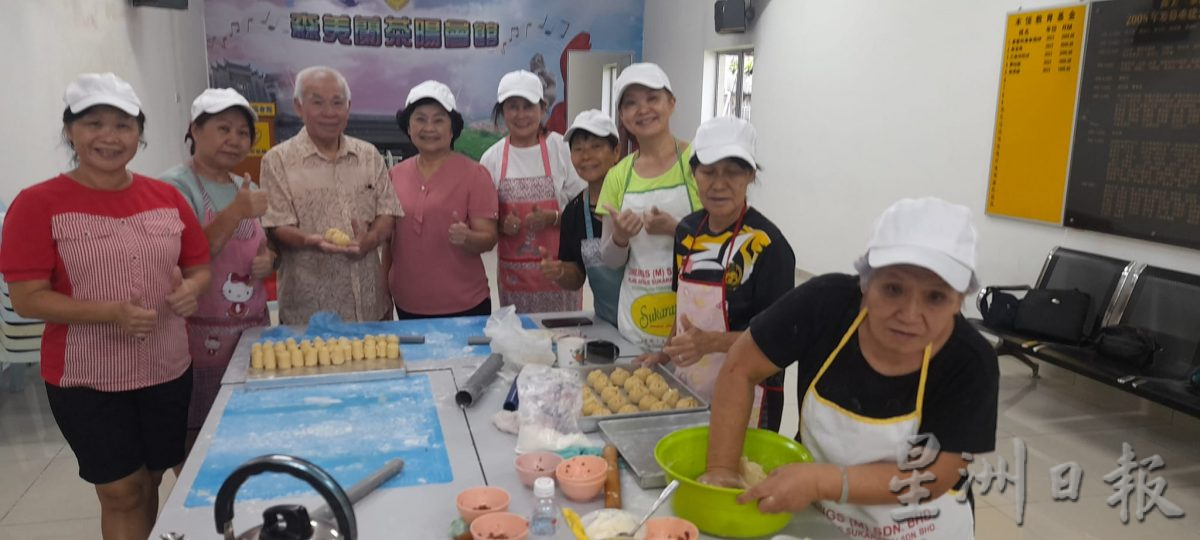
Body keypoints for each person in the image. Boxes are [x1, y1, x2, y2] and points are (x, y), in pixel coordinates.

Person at [701, 197, 1000, 539]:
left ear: (959, 300)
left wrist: (823, 481)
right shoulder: (824, 304)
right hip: (826, 517)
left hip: (921, 526)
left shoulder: (970, 361)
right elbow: (741, 366)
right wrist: (722, 469)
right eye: (893, 289)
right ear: (865, 281)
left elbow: (937, 472)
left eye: (935, 297)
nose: (910, 314)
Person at [0, 73, 211, 540]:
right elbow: (27, 298)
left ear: (139, 134)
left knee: (152, 477)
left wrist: (192, 288)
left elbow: (198, 265)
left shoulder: (166, 197)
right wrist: (110, 313)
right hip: (87, 376)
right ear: (70, 131)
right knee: (119, 490)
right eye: (94, 123)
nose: (109, 137)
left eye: (123, 125)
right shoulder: (38, 204)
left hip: (167, 367)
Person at [637, 116, 793, 430]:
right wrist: (666, 355)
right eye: (708, 171)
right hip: (689, 385)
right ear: (694, 173)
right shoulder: (687, 231)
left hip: (750, 394)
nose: (719, 184)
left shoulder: (769, 245)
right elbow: (683, 308)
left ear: (750, 175)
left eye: (733, 171)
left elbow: (781, 342)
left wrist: (711, 342)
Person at [158, 88, 271, 446]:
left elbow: (262, 248)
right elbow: (183, 257)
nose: (234, 140)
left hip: (251, 332)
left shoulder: (243, 186)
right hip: (200, 341)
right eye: (223, 129)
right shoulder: (176, 186)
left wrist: (270, 261)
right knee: (201, 440)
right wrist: (236, 211)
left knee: (249, 433)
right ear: (195, 129)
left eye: (242, 132)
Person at [260, 66, 402, 325]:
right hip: (308, 311)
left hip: (371, 307)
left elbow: (387, 212)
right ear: (299, 106)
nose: (329, 112)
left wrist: (370, 240)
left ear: (348, 108)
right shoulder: (277, 161)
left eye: (337, 103)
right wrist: (311, 241)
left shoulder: (368, 155)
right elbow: (278, 226)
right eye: (317, 102)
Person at [595, 63, 701, 349]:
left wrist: (677, 229)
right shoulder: (618, 175)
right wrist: (620, 238)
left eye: (652, 98)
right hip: (637, 318)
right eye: (631, 103)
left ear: (672, 103)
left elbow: (726, 245)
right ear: (621, 116)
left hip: (696, 320)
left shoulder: (699, 163)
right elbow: (609, 260)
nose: (643, 110)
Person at [387, 81, 499, 319]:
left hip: (465, 304)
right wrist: (382, 291)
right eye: (420, 119)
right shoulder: (394, 175)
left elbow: (488, 239)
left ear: (452, 129)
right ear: (408, 126)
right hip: (407, 302)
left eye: (439, 120)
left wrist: (469, 238)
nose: (430, 128)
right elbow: (389, 242)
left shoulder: (475, 174)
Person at [480, 70, 586, 313]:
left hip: (561, 272)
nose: (520, 115)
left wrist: (554, 217)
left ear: (543, 108)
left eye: (528, 106)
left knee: (563, 338)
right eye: (512, 107)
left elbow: (583, 209)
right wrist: (501, 224)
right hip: (516, 279)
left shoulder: (561, 149)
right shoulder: (492, 158)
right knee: (520, 340)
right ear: (502, 111)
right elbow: (484, 219)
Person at [539, 110, 624, 326]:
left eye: (596, 147)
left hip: (649, 322)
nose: (586, 156)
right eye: (578, 149)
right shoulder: (574, 212)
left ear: (616, 152)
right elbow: (576, 277)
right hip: (606, 323)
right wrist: (560, 271)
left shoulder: (634, 200)